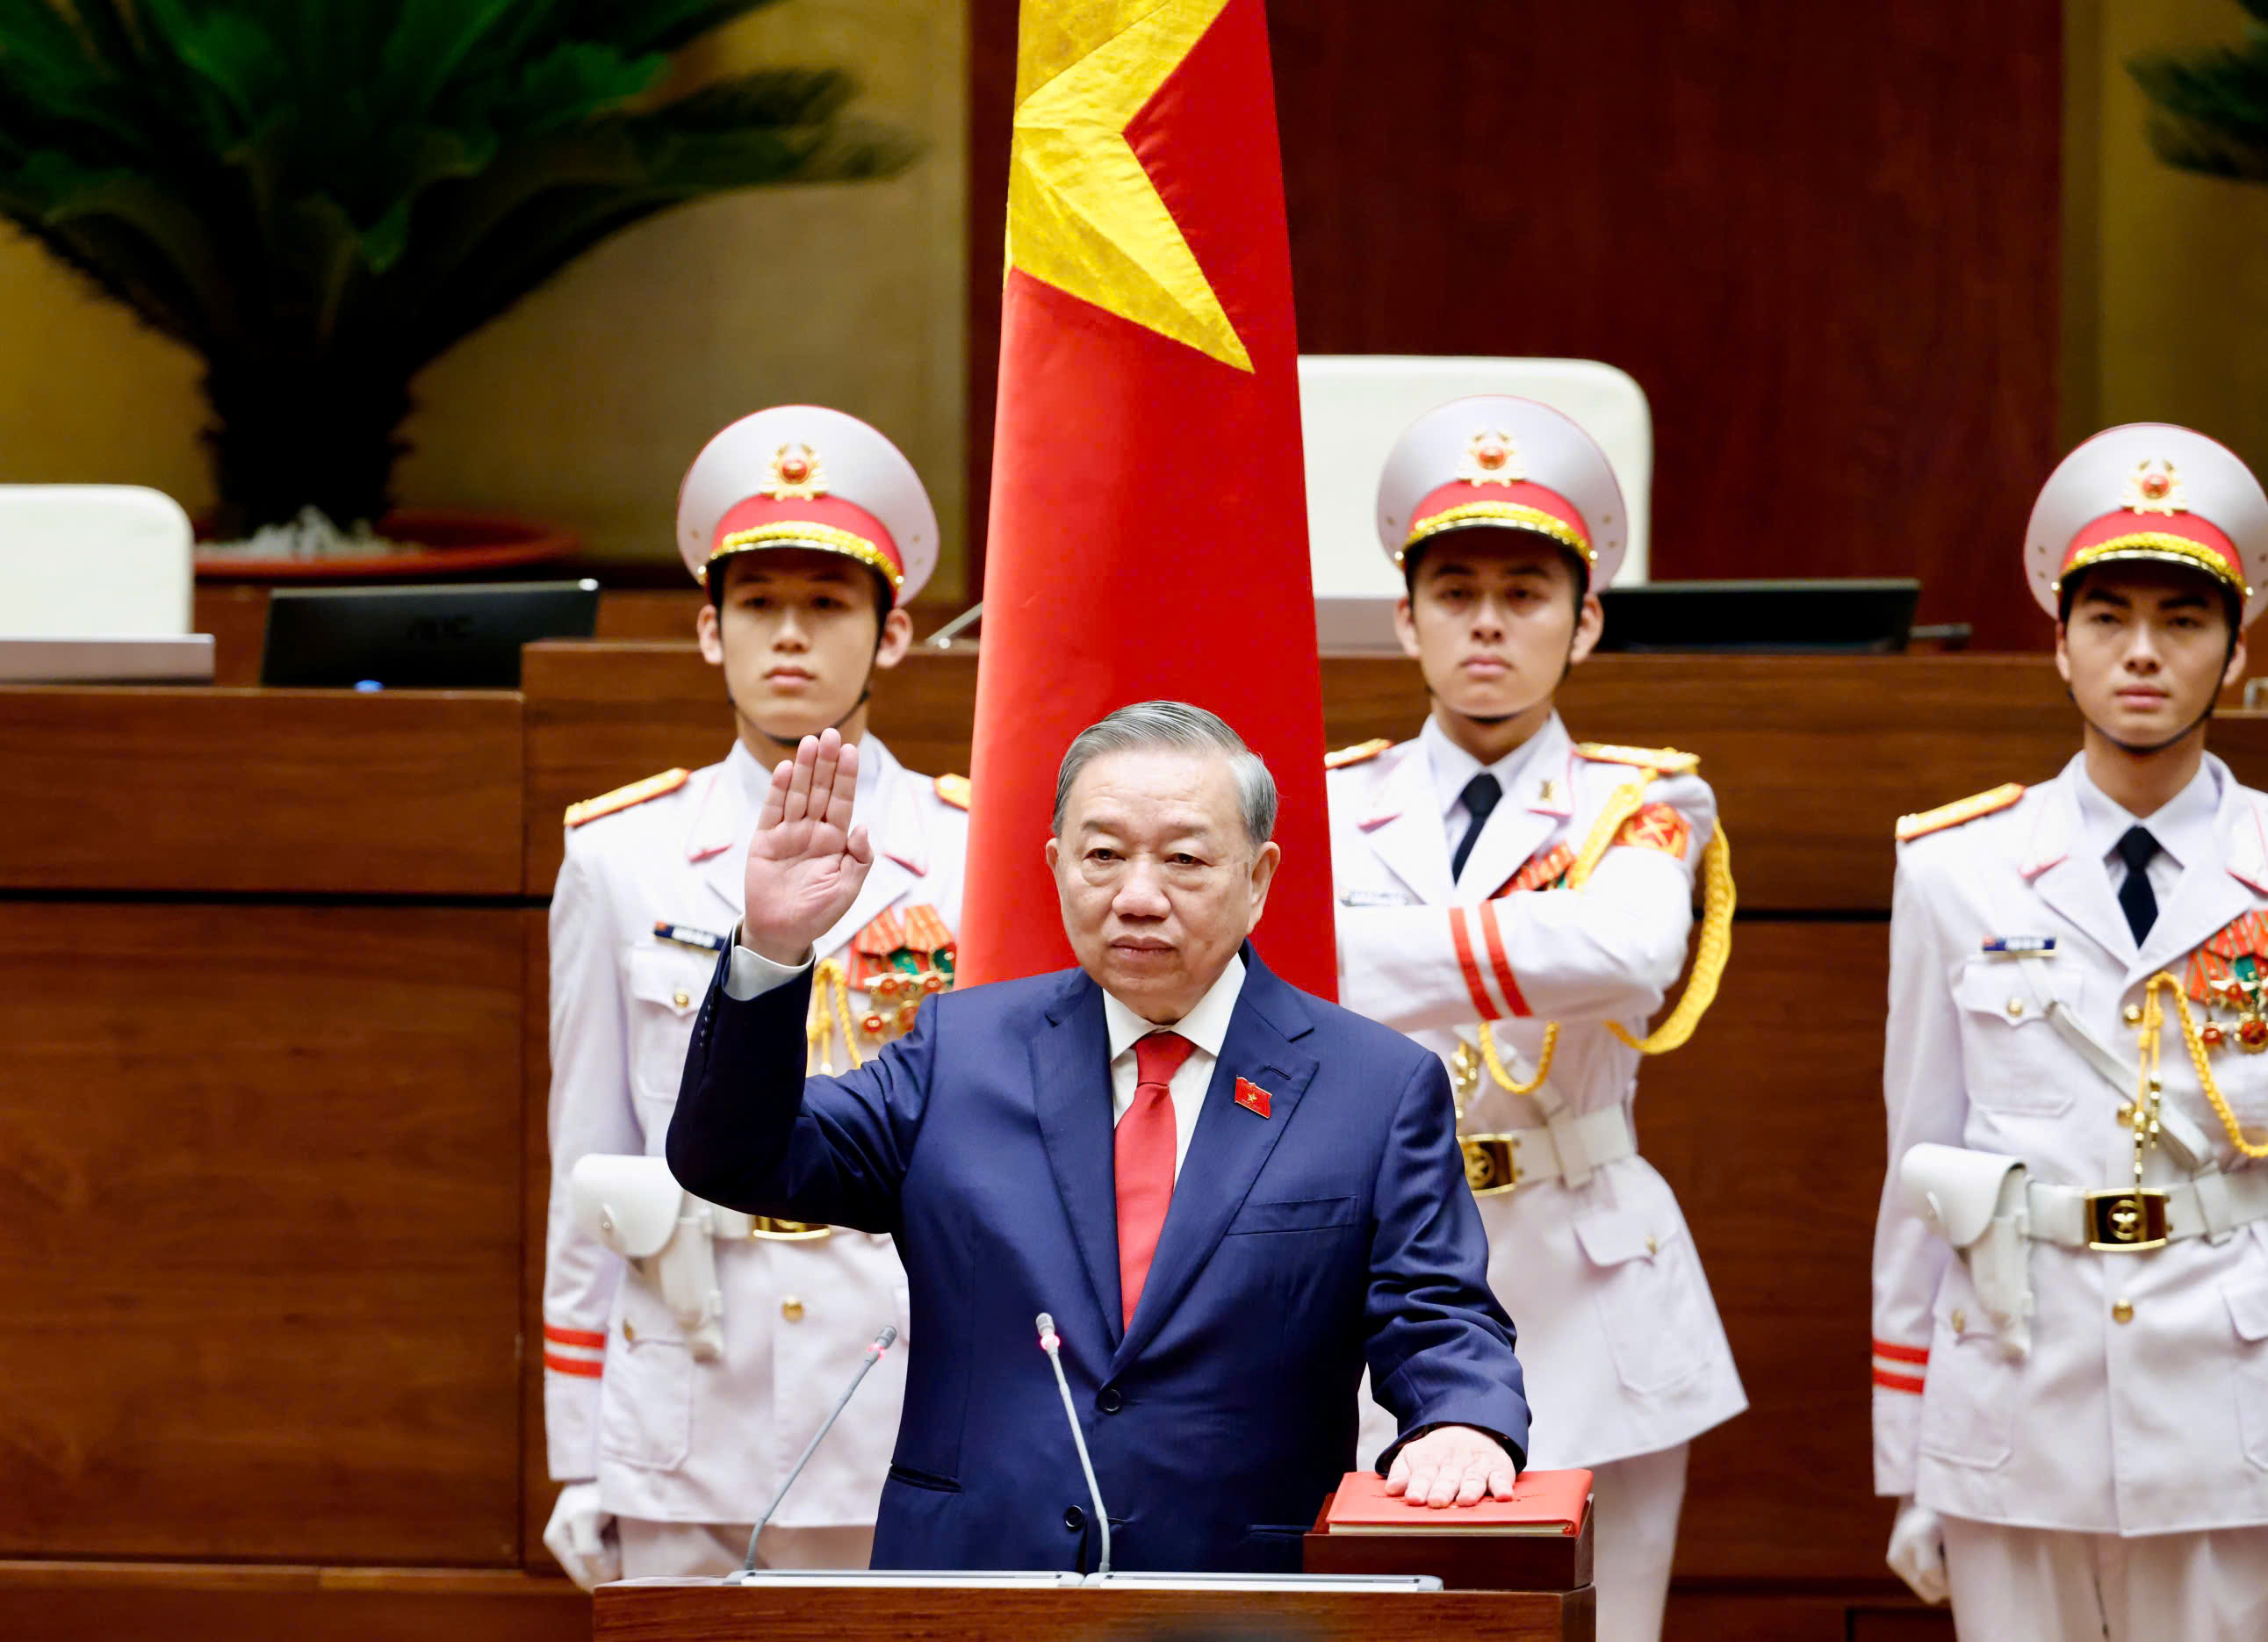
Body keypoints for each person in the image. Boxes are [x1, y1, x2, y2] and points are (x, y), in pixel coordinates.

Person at [668, 702, 1531, 1573]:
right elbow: (738, 1156)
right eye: (1103, 855)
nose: (1139, 896)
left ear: (1260, 876)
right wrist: (772, 951)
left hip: (1242, 1599)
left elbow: (1438, 1311)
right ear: (1056, 865)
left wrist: (1463, 1419)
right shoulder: (958, 1053)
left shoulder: (1373, 1088)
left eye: (1186, 859)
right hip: (974, 1587)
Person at [1328, 396, 1746, 1642]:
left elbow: (1624, 955)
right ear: (1405, 617)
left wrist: (1360, 954)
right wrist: (1523, 952)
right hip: (1377, 1272)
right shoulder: (1320, 794)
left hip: (1587, 1272)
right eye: (1454, 591)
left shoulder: (1644, 799)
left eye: (1525, 590)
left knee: (1601, 1628)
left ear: (1586, 617)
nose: (1489, 622)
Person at [540, 406, 969, 1585]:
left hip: (888, 1365)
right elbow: (590, 1150)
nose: (789, 635)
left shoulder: (969, 849)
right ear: (706, 628)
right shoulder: (621, 856)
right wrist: (578, 1447)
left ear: (892, 635)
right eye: (758, 604)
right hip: (685, 1368)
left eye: (828, 605)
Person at [1874, 423, 2268, 1640]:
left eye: (2181, 619)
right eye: (2105, 617)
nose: (2140, 652)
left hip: (2226, 1395)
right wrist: (1908, 1457)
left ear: (2235, 649)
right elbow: (1917, 1169)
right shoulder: (1956, 870)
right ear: (2056, 642)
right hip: (2010, 1384)